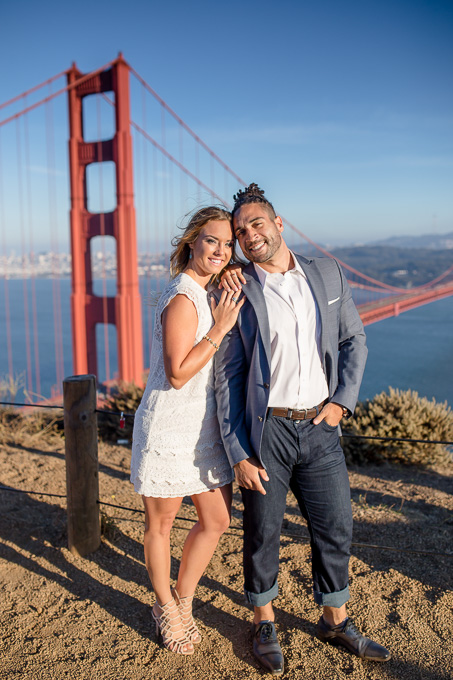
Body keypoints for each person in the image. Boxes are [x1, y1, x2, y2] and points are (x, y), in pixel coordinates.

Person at [214, 184, 391, 674]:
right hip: (267, 430)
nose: (249, 235)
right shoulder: (234, 288)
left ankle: (335, 619)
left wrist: (340, 404)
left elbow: (354, 337)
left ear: (278, 224)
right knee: (262, 531)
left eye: (256, 224)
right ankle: (264, 621)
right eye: (239, 231)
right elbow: (226, 374)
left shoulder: (328, 272)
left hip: (320, 425)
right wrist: (237, 450)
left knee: (335, 526)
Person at [131, 206, 244, 655]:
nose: (220, 249)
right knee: (160, 526)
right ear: (191, 243)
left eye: (227, 243)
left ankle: (184, 600)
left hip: (205, 429)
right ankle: (164, 608)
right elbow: (177, 373)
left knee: (215, 520)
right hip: (169, 427)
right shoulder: (182, 296)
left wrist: (231, 275)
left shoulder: (209, 288)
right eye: (211, 240)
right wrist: (218, 329)